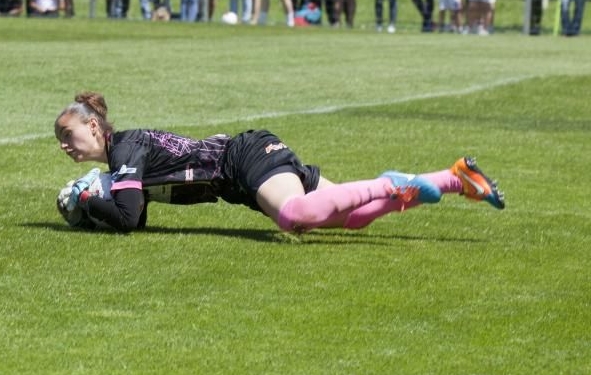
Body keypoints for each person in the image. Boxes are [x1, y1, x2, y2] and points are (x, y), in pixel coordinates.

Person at [53, 92, 504, 234]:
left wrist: (90, 200)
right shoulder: (122, 162)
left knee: (294, 218)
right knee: (355, 218)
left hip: (244, 158)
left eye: (67, 135)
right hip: (244, 176)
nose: (64, 146)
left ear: (94, 128)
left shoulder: (127, 147)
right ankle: (453, 178)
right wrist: (94, 204)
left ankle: (392, 181)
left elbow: (128, 219)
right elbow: (140, 216)